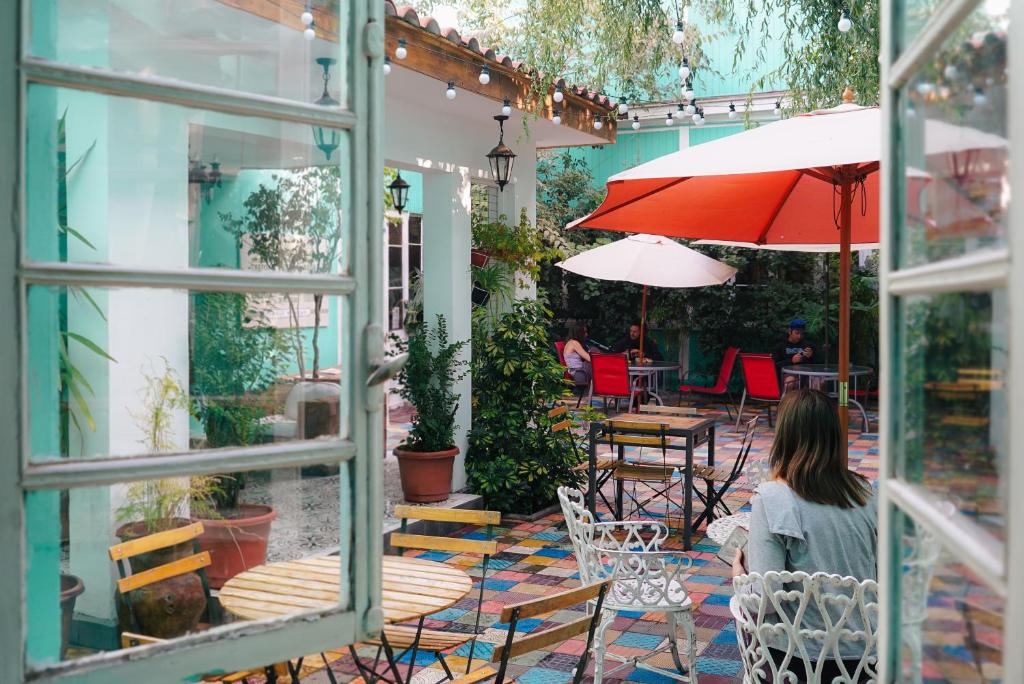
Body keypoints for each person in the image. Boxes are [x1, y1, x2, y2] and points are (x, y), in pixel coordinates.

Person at [732, 389, 877, 681]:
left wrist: (738, 573)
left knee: (741, 607)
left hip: (801, 661)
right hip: (868, 658)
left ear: (784, 436)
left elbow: (765, 602)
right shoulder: (866, 493)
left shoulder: (772, 498)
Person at [771, 319, 816, 390]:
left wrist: (811, 356)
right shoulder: (780, 346)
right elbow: (775, 365)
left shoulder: (808, 344)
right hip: (787, 375)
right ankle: (787, 397)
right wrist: (791, 361)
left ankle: (816, 398)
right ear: (790, 331)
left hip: (806, 374)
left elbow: (819, 363)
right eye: (797, 333)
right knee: (790, 382)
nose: (799, 336)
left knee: (820, 382)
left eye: (802, 334)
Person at [563, 322, 592, 388]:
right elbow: (589, 359)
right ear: (578, 333)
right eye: (584, 332)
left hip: (579, 371)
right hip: (579, 373)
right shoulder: (574, 343)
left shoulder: (571, 342)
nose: (586, 334)